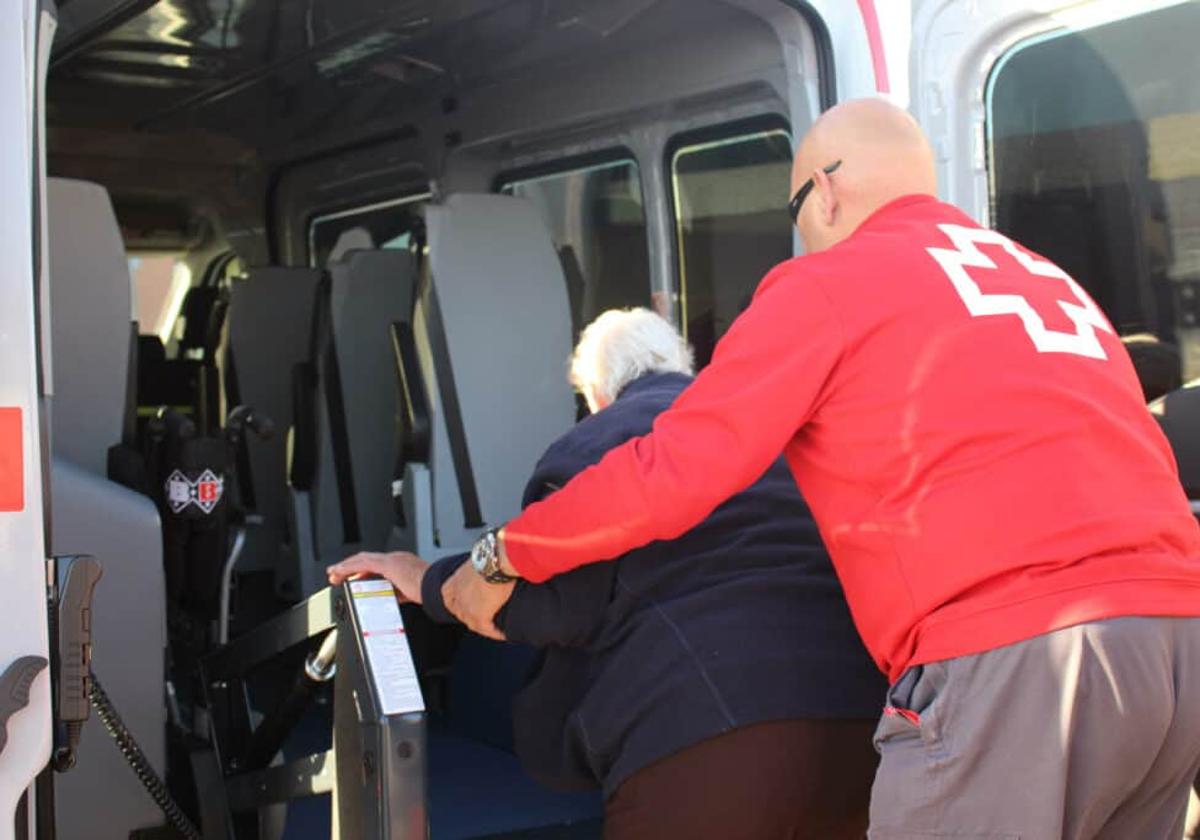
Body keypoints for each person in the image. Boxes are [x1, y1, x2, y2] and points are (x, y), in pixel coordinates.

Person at [439, 99, 1200, 839]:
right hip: (1174, 649)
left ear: (826, 190)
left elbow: (673, 471)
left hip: (1018, 661)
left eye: (794, 206)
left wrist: (504, 554)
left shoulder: (831, 282)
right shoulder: (1050, 282)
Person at [329, 308, 886, 839]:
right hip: (866, 735)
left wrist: (425, 579)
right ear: (685, 367)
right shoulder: (777, 436)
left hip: (702, 742)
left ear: (595, 395)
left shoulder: (592, 447)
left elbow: (539, 601)